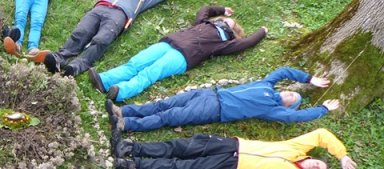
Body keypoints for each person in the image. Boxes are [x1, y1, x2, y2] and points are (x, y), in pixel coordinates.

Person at [109, 122, 359, 169]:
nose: (316, 166)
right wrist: (342, 155)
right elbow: (321, 134)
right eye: (318, 162)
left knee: (180, 167)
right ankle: (131, 147)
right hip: (231, 145)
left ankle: (132, 164)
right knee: (179, 146)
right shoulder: (294, 149)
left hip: (230, 167)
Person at [89, 5, 267, 102]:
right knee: (137, 62)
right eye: (224, 19)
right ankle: (104, 80)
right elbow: (204, 9)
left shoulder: (224, 44)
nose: (226, 21)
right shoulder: (203, 23)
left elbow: (246, 43)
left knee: (151, 72)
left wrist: (262, 32)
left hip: (184, 57)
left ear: (234, 30)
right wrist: (222, 10)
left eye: (230, 22)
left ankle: (120, 92)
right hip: (169, 43)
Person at [109, 67, 340, 132]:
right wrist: (309, 79)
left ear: (289, 105)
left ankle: (126, 124)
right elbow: (283, 71)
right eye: (293, 91)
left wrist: (323, 109)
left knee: (169, 116)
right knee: (164, 104)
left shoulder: (273, 109)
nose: (291, 94)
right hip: (209, 94)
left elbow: (297, 118)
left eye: (294, 98)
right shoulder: (268, 84)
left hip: (214, 110)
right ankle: (124, 111)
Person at [41, 0, 166, 76]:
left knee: (101, 40)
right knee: (81, 31)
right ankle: (60, 58)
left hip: (120, 13)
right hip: (100, 7)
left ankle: (77, 66)